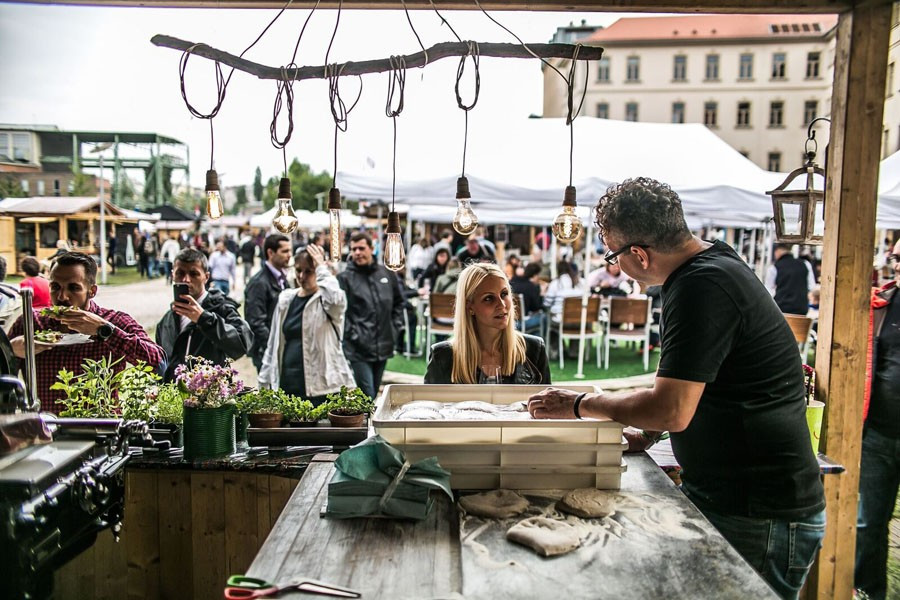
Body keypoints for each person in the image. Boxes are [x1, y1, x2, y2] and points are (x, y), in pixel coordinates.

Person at [526, 178, 825, 600]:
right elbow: (700, 382)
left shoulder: (699, 286)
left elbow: (672, 409)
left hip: (760, 511)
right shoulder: (712, 263)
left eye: (612, 254)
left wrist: (579, 404)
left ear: (639, 254)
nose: (613, 265)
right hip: (743, 499)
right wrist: (646, 432)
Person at [8, 252, 165, 414]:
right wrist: (11, 351)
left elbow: (158, 363)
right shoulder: (31, 322)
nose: (62, 296)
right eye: (55, 287)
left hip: (100, 427)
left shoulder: (114, 321)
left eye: (73, 288)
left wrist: (106, 331)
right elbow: (4, 377)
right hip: (44, 428)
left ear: (92, 291)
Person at [854, 243, 900, 600]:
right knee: (868, 522)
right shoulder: (879, 304)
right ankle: (870, 592)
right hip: (879, 432)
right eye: (895, 256)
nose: (895, 263)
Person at [258, 245, 356, 405]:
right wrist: (264, 382)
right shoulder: (286, 299)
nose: (302, 276)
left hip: (323, 388)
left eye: (309, 271)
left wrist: (322, 268)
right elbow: (273, 345)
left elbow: (336, 299)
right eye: (298, 270)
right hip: (288, 385)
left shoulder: (326, 301)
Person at [424, 262, 550, 384]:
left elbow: (547, 404)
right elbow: (429, 405)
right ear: (469, 306)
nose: (502, 305)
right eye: (489, 298)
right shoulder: (442, 357)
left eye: (504, 294)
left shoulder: (534, 351)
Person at [154, 248, 253, 383]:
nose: (186, 279)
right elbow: (162, 364)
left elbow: (241, 343)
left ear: (206, 277)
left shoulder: (221, 308)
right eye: (180, 273)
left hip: (212, 397)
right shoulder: (166, 321)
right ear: (172, 275)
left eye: (194, 274)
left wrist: (203, 318)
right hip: (175, 399)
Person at [337, 231, 404, 400]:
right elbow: (340, 313)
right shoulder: (344, 278)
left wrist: (395, 328)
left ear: (371, 248)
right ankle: (365, 425)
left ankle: (366, 424)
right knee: (368, 394)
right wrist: (352, 335)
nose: (357, 252)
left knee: (372, 393)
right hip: (358, 348)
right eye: (354, 249)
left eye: (361, 248)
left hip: (384, 344)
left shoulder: (387, 274)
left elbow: (399, 302)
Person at [245, 234, 292, 372]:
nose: (289, 255)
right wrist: (274, 347)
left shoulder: (283, 279)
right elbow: (256, 322)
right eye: (284, 251)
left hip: (281, 349)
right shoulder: (259, 283)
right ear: (270, 253)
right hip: (266, 351)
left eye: (290, 251)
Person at [765, 243, 815, 315]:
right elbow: (811, 286)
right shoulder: (805, 264)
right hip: (801, 309)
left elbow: (768, 291)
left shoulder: (774, 268)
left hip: (781, 310)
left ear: (777, 251)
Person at [510, 262, 546, 335]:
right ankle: (537, 344)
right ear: (535, 275)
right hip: (521, 323)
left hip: (510, 321)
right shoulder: (531, 287)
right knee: (544, 318)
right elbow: (536, 307)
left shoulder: (513, 281)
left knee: (536, 329)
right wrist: (542, 293)